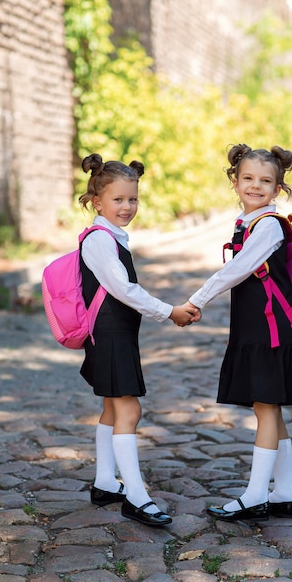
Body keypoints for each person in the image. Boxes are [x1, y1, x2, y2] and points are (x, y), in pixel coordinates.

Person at [185, 143, 292, 522]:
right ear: (235, 181)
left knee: (267, 406)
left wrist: (197, 300)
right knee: (267, 406)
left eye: (266, 181)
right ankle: (283, 493)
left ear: (278, 189)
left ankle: (256, 495)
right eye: (248, 178)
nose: (256, 185)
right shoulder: (249, 222)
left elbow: (236, 271)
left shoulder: (268, 225)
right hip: (256, 325)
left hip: (268, 329)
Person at [78, 153, 200, 527]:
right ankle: (135, 495)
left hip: (114, 335)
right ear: (97, 201)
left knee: (113, 410)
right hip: (111, 336)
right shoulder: (100, 241)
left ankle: (104, 483)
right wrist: (170, 310)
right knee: (129, 411)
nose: (127, 207)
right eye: (118, 200)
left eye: (132, 199)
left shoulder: (111, 237)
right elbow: (124, 290)